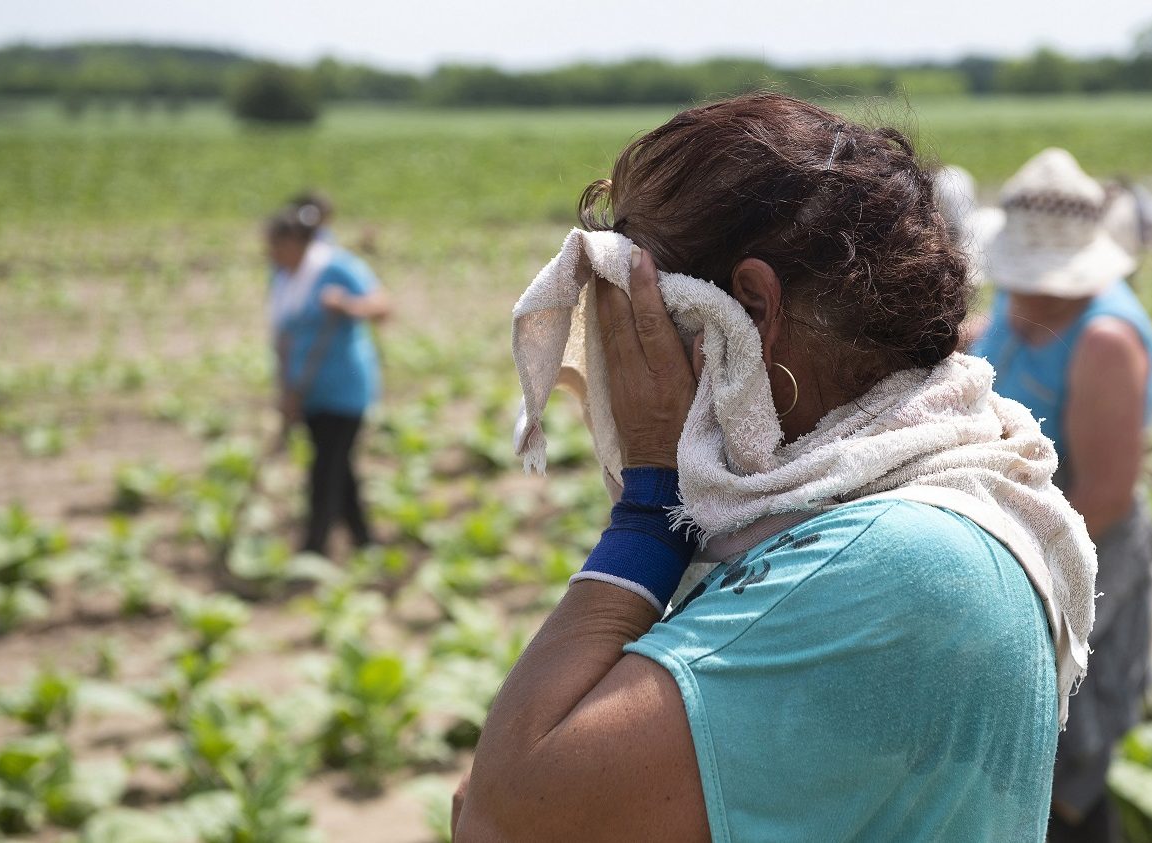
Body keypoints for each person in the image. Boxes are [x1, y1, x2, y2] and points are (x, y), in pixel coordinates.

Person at [452, 94, 1097, 842]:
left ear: (750, 310)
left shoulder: (893, 558)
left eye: (640, 310)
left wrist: (650, 505)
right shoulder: (889, 511)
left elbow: (504, 817)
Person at [968, 148, 1152, 843]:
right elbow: (989, 349)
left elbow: (1103, 495)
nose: (1021, 289)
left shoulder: (1106, 338)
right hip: (1016, 543)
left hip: (1076, 556)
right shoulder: (1016, 301)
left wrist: (1012, 578)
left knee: (1061, 756)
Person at [266, 199, 391, 556]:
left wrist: (346, 305)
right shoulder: (284, 279)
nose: (272, 254)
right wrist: (286, 392)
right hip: (308, 392)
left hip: (345, 389)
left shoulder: (338, 268)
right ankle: (364, 541)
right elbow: (282, 339)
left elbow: (382, 307)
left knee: (325, 470)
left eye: (278, 247)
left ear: (297, 244)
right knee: (339, 467)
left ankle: (313, 550)